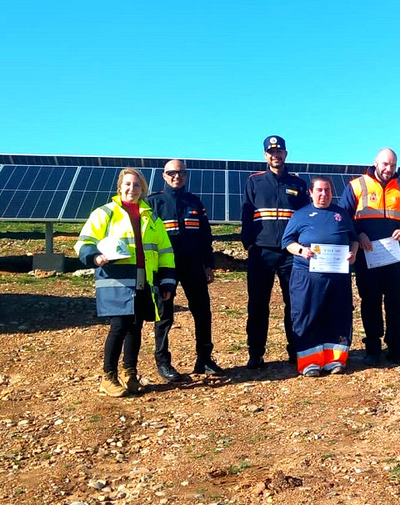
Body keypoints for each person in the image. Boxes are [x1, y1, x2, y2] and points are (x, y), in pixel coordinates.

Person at [74, 168, 176, 397]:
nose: (132, 189)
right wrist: (94, 257)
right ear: (120, 187)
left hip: (144, 279)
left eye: (137, 185)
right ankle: (108, 377)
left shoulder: (151, 217)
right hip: (116, 280)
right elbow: (84, 242)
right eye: (128, 184)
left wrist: (168, 282)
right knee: (119, 327)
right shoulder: (105, 213)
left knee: (135, 327)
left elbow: (165, 251)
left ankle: (129, 374)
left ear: (143, 189)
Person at [338, 148, 400, 366]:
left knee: (397, 303)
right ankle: (372, 349)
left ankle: (397, 348)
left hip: (395, 258)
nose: (388, 169)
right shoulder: (357, 186)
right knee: (371, 302)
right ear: (375, 162)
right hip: (368, 256)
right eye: (385, 164)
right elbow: (343, 216)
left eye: (392, 165)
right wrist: (358, 233)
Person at [147, 159, 224, 381]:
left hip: (193, 266)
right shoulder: (154, 203)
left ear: (186, 175)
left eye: (180, 173)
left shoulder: (195, 203)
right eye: (171, 173)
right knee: (164, 315)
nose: (176, 176)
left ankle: (205, 359)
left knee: (202, 312)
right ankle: (163, 363)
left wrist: (209, 264)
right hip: (165, 268)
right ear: (164, 175)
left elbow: (205, 236)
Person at [241, 135, 309, 370]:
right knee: (258, 304)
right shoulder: (254, 182)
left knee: (295, 304)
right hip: (261, 253)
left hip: (290, 254)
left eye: (279, 151)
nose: (275, 155)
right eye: (271, 152)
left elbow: (305, 217)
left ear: (286, 154)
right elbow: (246, 215)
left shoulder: (298, 184)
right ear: (265, 156)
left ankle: (296, 351)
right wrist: (249, 244)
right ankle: (256, 353)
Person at [281, 176, 360, 377]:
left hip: (337, 278)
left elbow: (354, 239)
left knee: (338, 315)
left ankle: (335, 360)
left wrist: (353, 253)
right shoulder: (300, 215)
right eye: (319, 190)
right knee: (308, 316)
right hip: (307, 277)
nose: (323, 194)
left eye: (327, 190)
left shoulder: (341, 214)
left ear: (332, 192)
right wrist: (301, 250)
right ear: (311, 192)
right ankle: (310, 362)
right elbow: (287, 241)